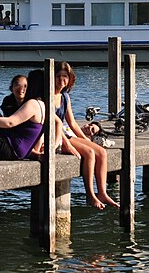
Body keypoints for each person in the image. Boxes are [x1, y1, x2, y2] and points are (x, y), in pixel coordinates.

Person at [51, 62, 119, 209]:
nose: (61, 80)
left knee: (100, 151)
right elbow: (51, 125)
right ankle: (90, 195)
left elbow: (73, 123)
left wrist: (85, 139)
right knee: (89, 153)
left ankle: (102, 192)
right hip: (54, 137)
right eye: (58, 76)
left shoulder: (64, 97)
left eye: (65, 77)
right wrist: (69, 144)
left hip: (65, 134)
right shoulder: (48, 97)